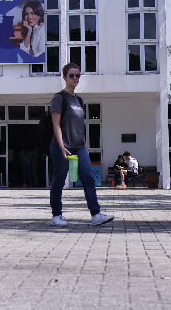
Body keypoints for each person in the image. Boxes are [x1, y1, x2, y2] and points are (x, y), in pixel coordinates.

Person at [50, 63, 113, 226]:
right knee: (59, 180)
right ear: (64, 77)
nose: (75, 78)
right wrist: (62, 146)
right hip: (63, 146)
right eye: (71, 75)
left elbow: (79, 124)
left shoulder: (79, 100)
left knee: (88, 178)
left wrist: (84, 144)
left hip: (79, 146)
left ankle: (96, 214)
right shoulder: (59, 98)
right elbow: (56, 124)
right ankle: (56, 215)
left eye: (77, 75)